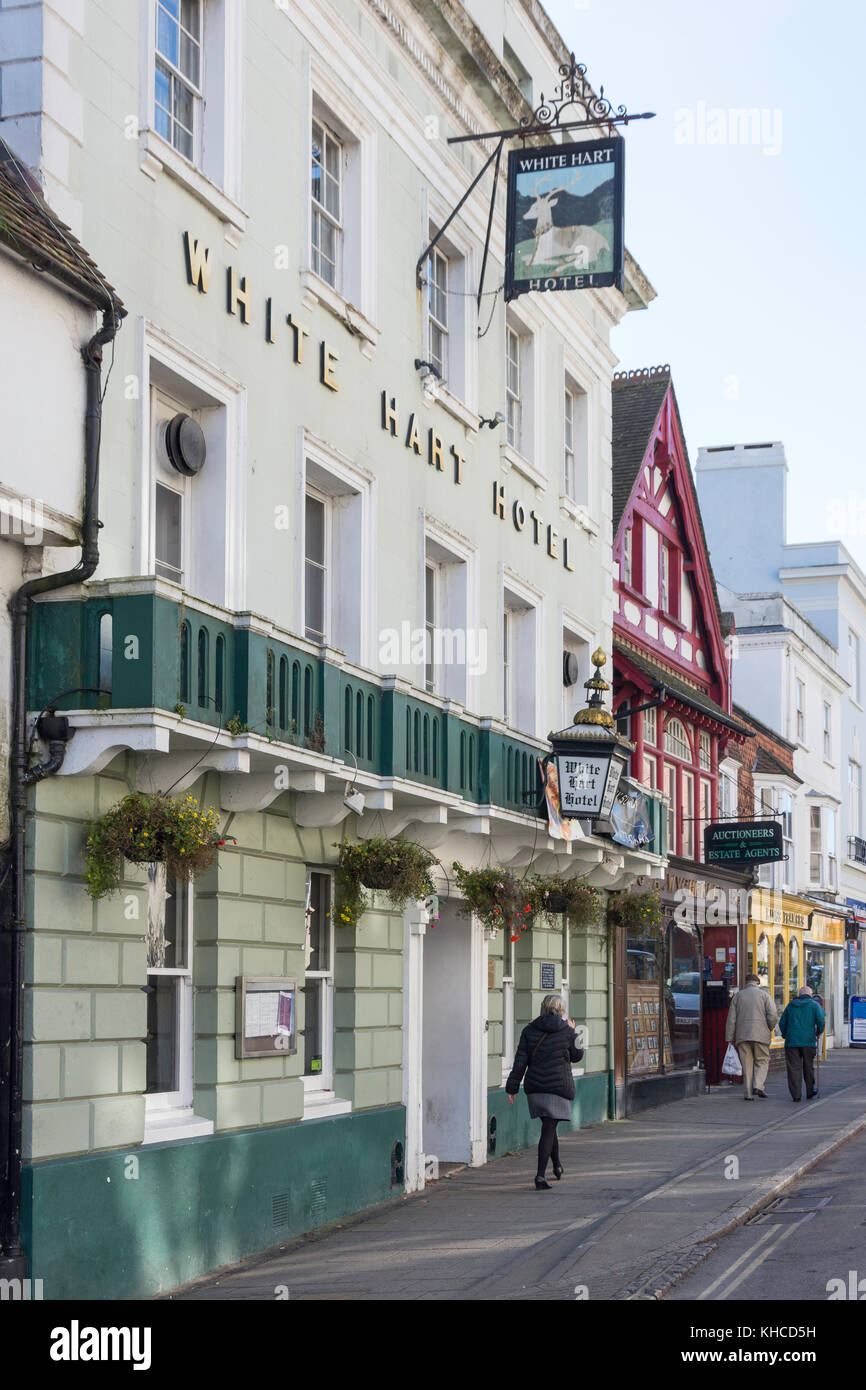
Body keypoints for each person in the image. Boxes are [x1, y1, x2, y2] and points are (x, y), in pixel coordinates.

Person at [505, 993, 583, 1189]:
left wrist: (512, 1087)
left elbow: (520, 1061)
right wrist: (575, 1033)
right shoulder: (567, 1031)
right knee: (549, 1127)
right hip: (557, 1088)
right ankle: (540, 1175)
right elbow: (577, 1056)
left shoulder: (529, 1030)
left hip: (536, 1089)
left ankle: (556, 1165)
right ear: (561, 1010)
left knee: (550, 1126)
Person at [724, 973, 778, 1100]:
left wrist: (729, 1038)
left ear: (745, 982)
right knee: (762, 1060)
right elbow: (773, 1015)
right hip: (761, 1034)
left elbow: (731, 1019)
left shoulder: (738, 996)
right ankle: (758, 1085)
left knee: (747, 1064)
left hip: (742, 1035)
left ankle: (748, 1093)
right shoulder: (764, 995)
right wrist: (769, 1027)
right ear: (757, 983)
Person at [778, 985, 826, 1102]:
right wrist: (819, 1031)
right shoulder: (815, 1005)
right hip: (808, 1041)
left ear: (799, 995)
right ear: (810, 995)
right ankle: (810, 1091)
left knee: (794, 1068)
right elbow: (821, 1021)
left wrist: (785, 1035)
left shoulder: (790, 1005)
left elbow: (782, 1023)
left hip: (792, 1042)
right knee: (808, 1066)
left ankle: (796, 1095)